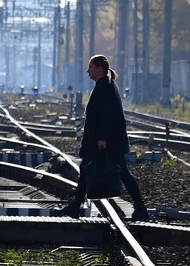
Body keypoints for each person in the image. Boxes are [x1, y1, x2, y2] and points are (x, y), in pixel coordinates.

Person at [56, 54, 150, 220]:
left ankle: (141, 207)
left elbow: (106, 115)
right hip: (103, 141)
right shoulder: (103, 85)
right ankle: (75, 205)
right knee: (86, 168)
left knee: (122, 173)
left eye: (91, 67)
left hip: (108, 143)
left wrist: (102, 138)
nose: (88, 70)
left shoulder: (105, 87)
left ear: (100, 68)